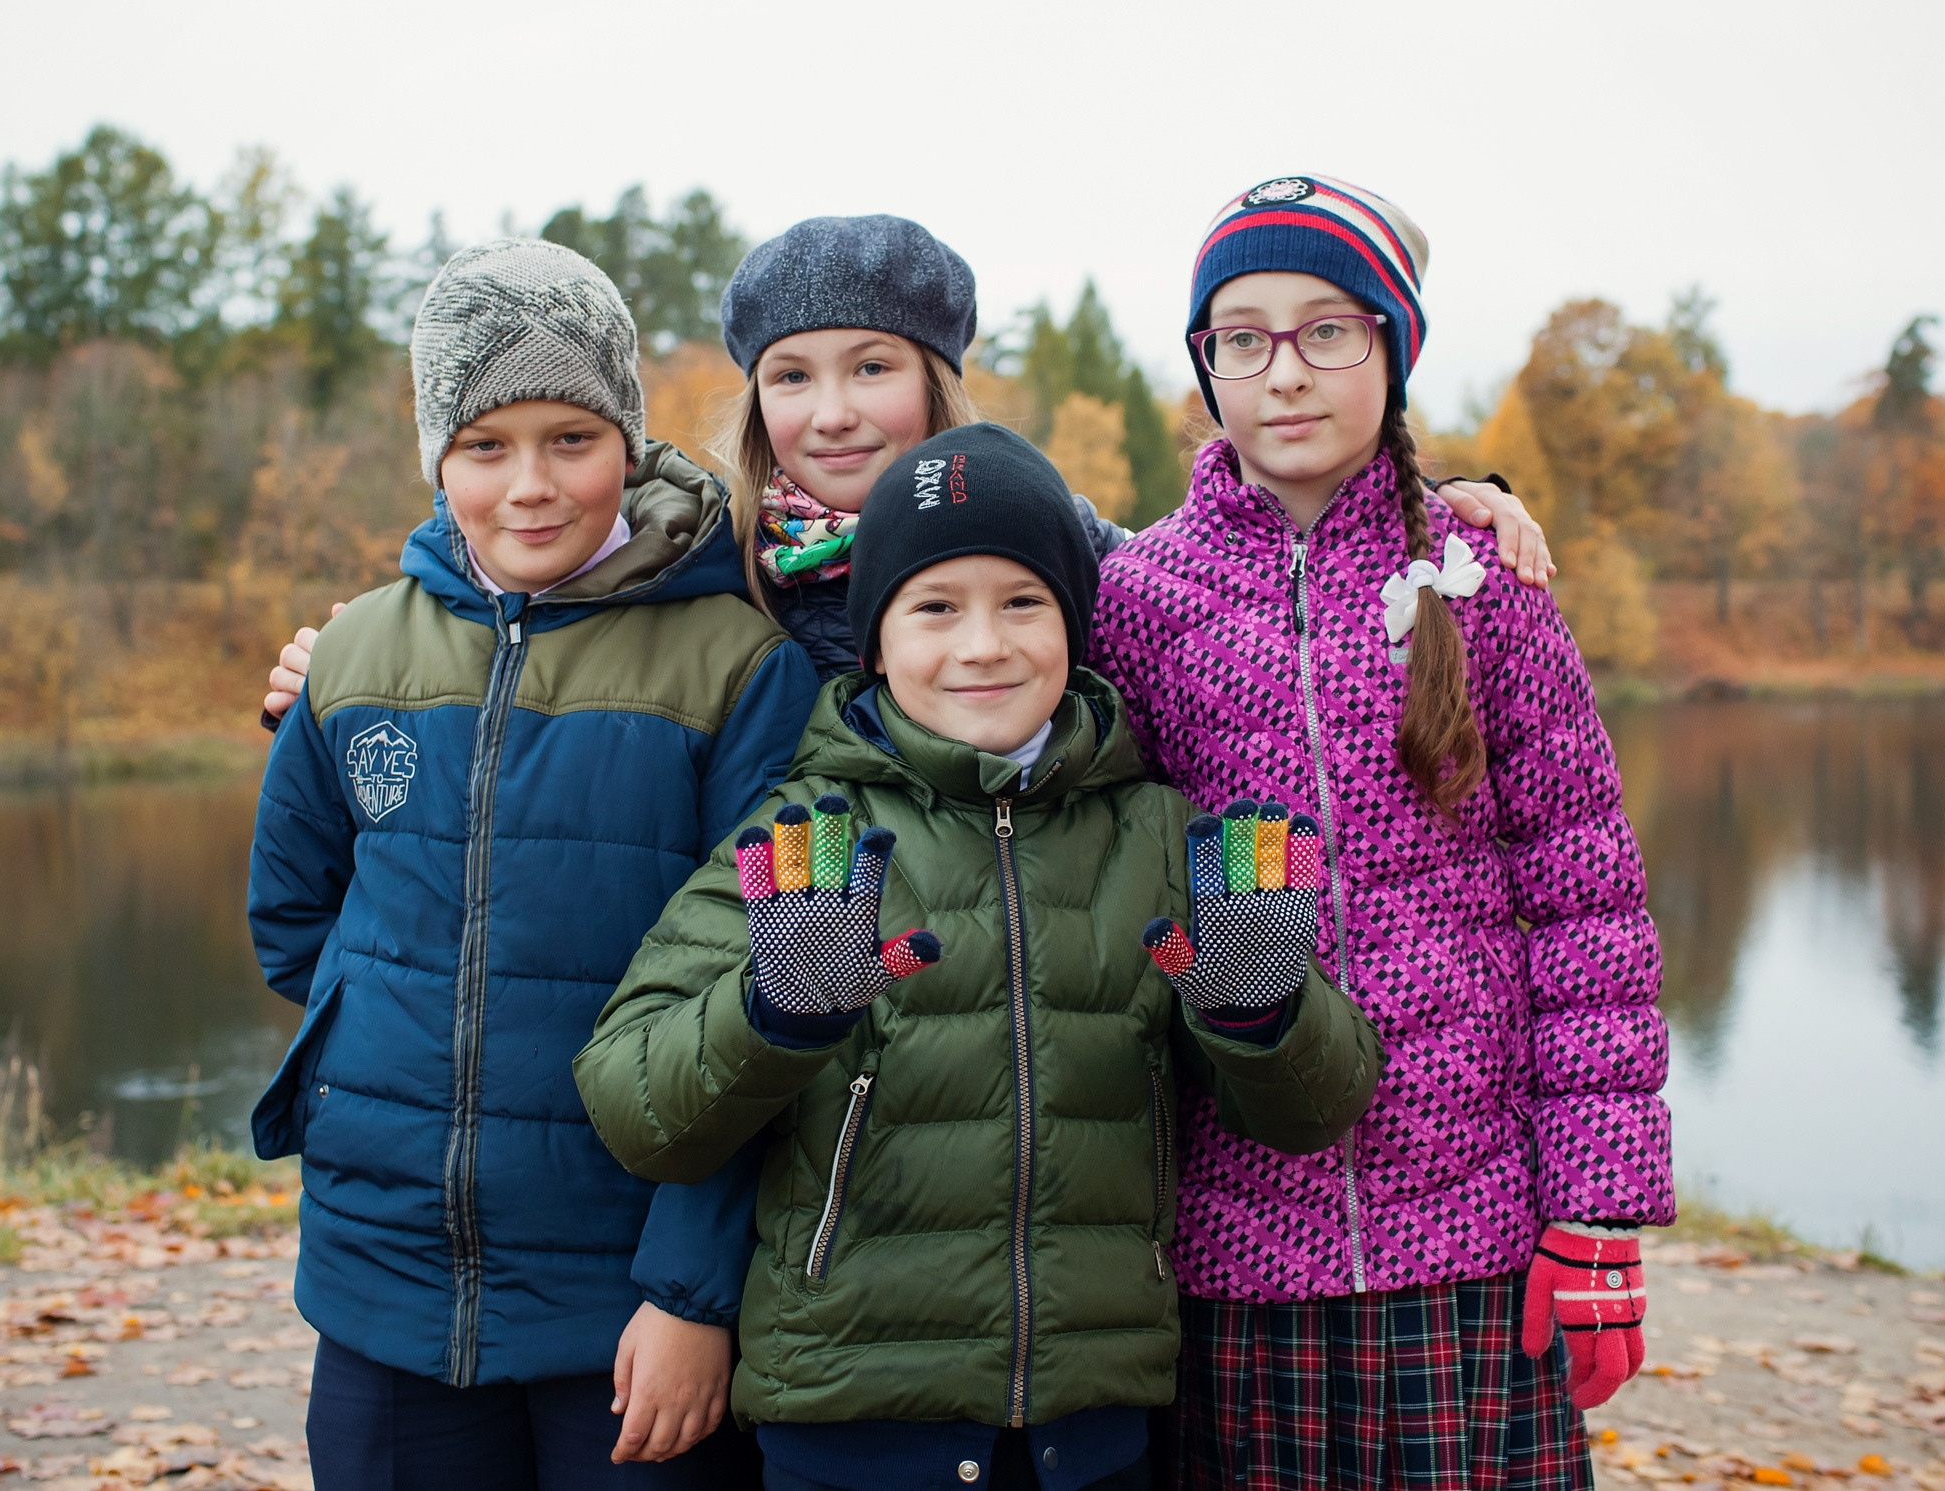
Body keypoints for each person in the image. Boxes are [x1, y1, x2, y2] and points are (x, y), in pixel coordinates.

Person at [573, 422, 1386, 1491]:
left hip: (1089, 1430)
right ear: (875, 640)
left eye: (1021, 602)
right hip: (848, 1424)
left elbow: (1315, 1110)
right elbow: (634, 1106)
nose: (983, 646)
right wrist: (772, 1017)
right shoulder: (803, 834)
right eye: (935, 607)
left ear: (1072, 624)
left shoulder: (1156, 834)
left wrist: (1262, 1019)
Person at [1088, 175, 1671, 1490]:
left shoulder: (1481, 580)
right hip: (1234, 1238)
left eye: (1329, 330)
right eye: (1243, 337)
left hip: (1471, 1230)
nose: (1285, 372)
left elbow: (1588, 908)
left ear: (1393, 349)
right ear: (1206, 366)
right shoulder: (1139, 597)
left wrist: (1596, 1210)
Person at [243, 240, 820, 1489]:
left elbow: (765, 1016)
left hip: (625, 1300)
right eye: (484, 446)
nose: (530, 486)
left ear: (627, 437)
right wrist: (379, 1046)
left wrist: (691, 1295)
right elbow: (294, 921)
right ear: (437, 460)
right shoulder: (355, 655)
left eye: (571, 438)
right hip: (383, 1275)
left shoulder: (737, 668)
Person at [256, 216, 1552, 717]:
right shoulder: (711, 555)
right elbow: (545, 590)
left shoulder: (1053, 542)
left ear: (933, 378)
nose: (833, 410)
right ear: (756, 400)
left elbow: (1228, 568)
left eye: (871, 365)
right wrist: (347, 663)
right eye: (793, 375)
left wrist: (1434, 501)